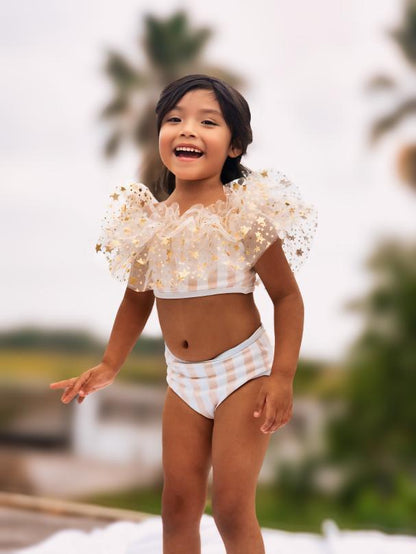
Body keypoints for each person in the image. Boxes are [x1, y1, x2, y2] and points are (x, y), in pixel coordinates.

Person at [50, 73, 318, 554]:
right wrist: (110, 364)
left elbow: (287, 297)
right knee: (176, 507)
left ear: (233, 146)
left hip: (244, 374)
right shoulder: (149, 225)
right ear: (160, 136)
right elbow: (137, 299)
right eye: (175, 119)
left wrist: (283, 377)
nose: (188, 130)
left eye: (207, 122)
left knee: (233, 509)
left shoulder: (245, 218)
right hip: (184, 381)